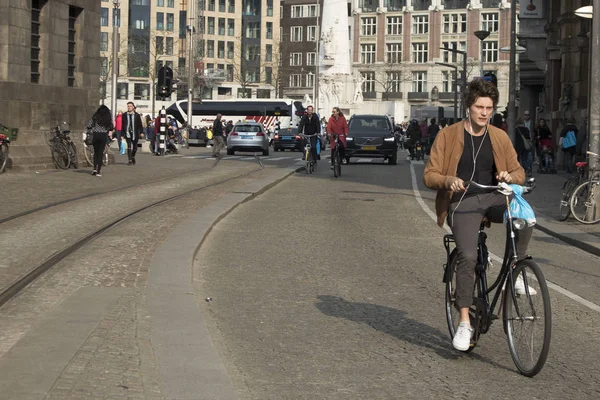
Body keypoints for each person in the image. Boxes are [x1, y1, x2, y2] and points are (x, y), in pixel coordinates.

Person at [423, 79, 532, 352]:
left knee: (524, 216)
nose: (484, 112)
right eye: (479, 107)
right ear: (468, 107)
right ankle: (463, 321)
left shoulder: (499, 136)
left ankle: (516, 270)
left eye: (489, 108)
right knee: (468, 256)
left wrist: (509, 176)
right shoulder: (447, 136)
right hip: (463, 202)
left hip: (494, 196)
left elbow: (520, 173)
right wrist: (448, 180)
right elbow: (429, 176)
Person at [86, 105, 114, 177]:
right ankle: (98, 171)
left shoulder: (95, 116)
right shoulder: (107, 118)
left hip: (95, 135)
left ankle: (94, 169)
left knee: (96, 152)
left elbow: (89, 125)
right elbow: (111, 127)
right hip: (103, 135)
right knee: (100, 153)